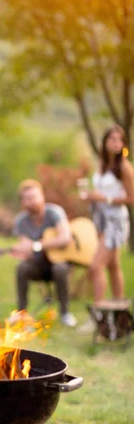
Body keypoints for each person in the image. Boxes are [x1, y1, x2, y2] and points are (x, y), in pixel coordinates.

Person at [11, 180, 77, 327]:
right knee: (22, 268)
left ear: (42, 197)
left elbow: (65, 237)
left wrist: (37, 245)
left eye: (34, 197)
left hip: (60, 262)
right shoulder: (20, 221)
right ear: (22, 202)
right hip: (38, 264)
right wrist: (22, 251)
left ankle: (65, 313)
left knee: (59, 268)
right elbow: (25, 246)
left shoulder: (54, 212)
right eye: (27, 199)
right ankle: (21, 313)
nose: (31, 202)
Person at [81, 125, 134, 303]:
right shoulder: (102, 164)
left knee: (96, 267)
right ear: (105, 142)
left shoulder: (125, 168)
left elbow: (131, 198)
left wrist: (105, 199)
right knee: (113, 265)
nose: (116, 143)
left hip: (115, 220)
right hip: (100, 218)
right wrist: (92, 197)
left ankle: (99, 313)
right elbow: (101, 190)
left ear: (124, 144)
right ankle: (119, 310)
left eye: (119, 140)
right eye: (112, 139)